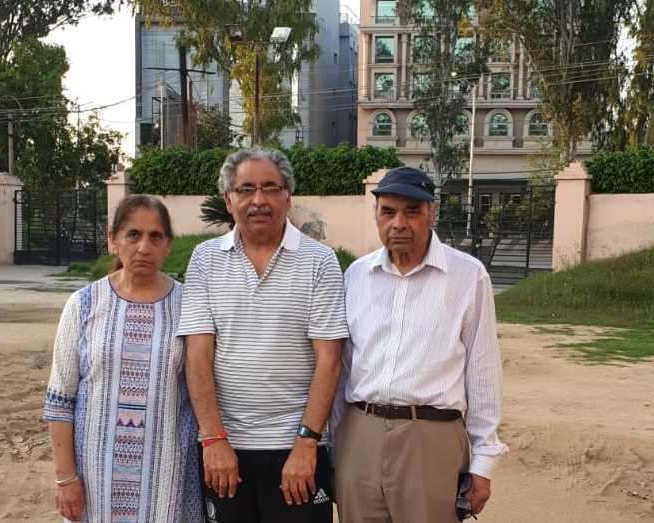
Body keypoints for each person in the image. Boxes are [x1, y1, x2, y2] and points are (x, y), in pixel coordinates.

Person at [177, 148, 348, 523]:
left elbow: (329, 360)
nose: (259, 200)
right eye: (246, 189)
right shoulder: (206, 260)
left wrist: (307, 443)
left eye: (271, 188)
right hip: (227, 451)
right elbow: (197, 356)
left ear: (288, 196)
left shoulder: (320, 261)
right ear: (229, 199)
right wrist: (214, 439)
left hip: (297, 451)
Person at [332, 167, 508, 522]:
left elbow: (483, 371)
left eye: (412, 211)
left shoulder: (468, 276)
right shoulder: (356, 276)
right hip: (359, 434)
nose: (399, 223)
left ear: (433, 213)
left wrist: (484, 461)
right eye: (388, 212)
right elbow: (343, 369)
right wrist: (334, 444)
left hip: (431, 439)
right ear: (377, 215)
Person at [44, 195, 201, 522]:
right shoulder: (83, 305)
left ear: (168, 245)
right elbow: (60, 400)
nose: (144, 247)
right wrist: (66, 478)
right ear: (112, 240)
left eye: (155, 237)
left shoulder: (189, 306)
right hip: (95, 480)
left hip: (166, 481)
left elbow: (202, 390)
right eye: (133, 235)